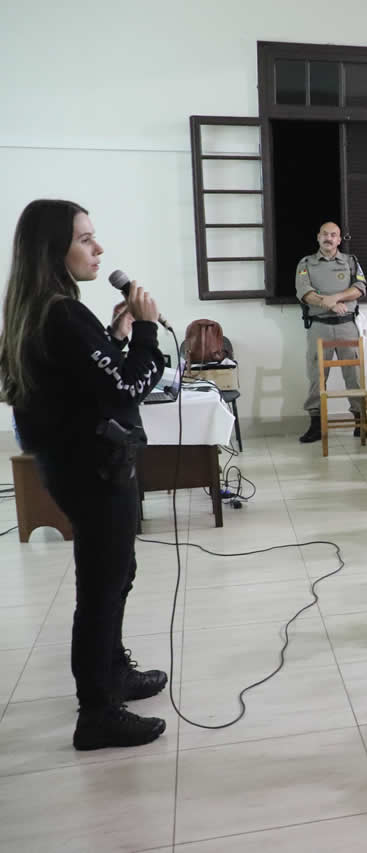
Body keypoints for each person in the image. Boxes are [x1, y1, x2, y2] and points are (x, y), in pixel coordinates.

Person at [0, 200, 171, 750]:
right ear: (54, 249)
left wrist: (116, 338)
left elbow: (89, 383)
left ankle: (113, 672)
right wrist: (146, 332)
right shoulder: (63, 314)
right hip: (93, 470)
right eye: (85, 239)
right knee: (101, 586)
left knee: (116, 573)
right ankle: (97, 712)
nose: (99, 249)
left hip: (73, 465)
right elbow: (126, 390)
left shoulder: (42, 310)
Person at [295, 221, 367, 442]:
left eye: (333, 235)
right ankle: (316, 425)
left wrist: (336, 298)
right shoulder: (306, 263)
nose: (329, 238)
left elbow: (360, 287)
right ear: (318, 237)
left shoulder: (350, 262)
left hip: (347, 326)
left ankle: (361, 423)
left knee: (354, 376)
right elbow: (304, 292)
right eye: (325, 234)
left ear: (339, 239)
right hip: (319, 326)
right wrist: (328, 304)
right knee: (316, 376)